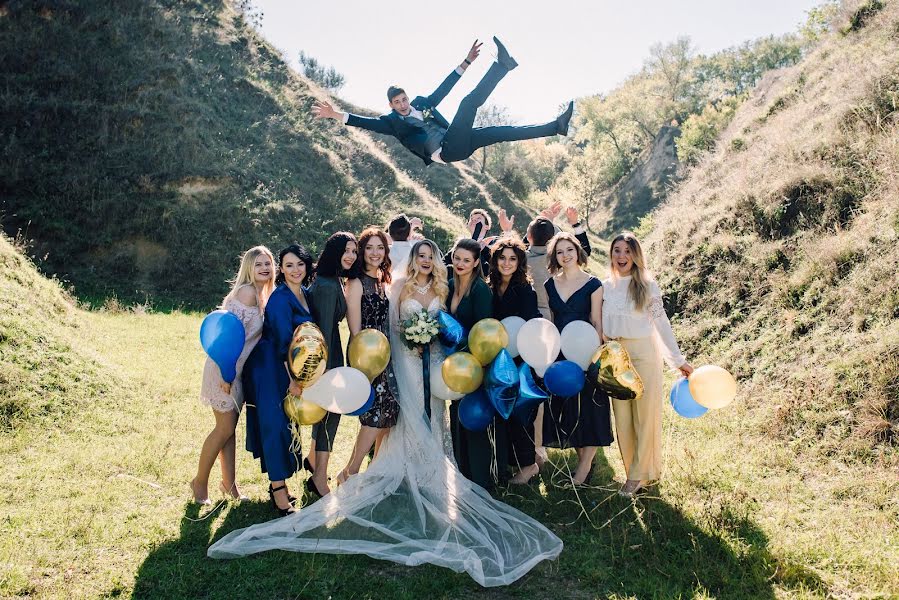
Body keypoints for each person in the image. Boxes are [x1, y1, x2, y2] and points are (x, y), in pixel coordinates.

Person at [208, 239, 563, 587]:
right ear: (412, 259)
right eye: (420, 255)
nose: (425, 260)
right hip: (400, 358)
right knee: (397, 414)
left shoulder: (442, 286)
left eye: (430, 256)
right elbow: (389, 327)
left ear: (438, 261)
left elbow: (450, 327)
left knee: (426, 413)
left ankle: (424, 468)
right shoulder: (395, 288)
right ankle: (366, 470)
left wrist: (430, 339)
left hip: (435, 362)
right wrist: (406, 342)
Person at [312, 37, 574, 166]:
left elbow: (445, 87)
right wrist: (335, 114)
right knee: (467, 104)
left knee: (503, 132)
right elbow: (364, 122)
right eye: (397, 102)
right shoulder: (392, 123)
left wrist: (468, 60)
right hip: (445, 151)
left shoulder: (423, 103)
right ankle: (502, 66)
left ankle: (555, 127)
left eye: (403, 99)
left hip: (457, 140)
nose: (402, 104)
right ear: (391, 105)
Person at [602, 232, 693, 497]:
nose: (621, 256)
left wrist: (678, 360)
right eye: (617, 250)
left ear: (636, 255)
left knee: (645, 415)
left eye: (627, 251)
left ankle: (637, 476)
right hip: (616, 355)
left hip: (643, 353)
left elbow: (661, 324)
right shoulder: (604, 286)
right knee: (622, 416)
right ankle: (635, 469)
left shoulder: (647, 285)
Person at [192, 246, 275, 505]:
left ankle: (229, 486)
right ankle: (199, 483)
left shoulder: (262, 295)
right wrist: (226, 374)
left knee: (230, 431)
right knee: (224, 428)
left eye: (268, 264)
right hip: (223, 368)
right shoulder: (247, 293)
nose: (264, 268)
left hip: (236, 371)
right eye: (259, 264)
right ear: (249, 268)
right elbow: (226, 336)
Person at [243, 244, 315, 515]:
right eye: (288, 265)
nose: (295, 270)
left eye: (299, 264)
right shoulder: (280, 299)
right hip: (271, 367)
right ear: (281, 271)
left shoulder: (305, 293)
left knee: (288, 423)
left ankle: (280, 483)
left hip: (290, 367)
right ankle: (278, 491)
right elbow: (284, 344)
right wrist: (294, 380)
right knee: (274, 424)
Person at [542, 232, 612, 485]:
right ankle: (584, 461)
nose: (565, 255)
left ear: (577, 251)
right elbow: (551, 321)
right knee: (568, 408)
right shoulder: (550, 284)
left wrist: (596, 356)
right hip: (561, 353)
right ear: (555, 257)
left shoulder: (594, 284)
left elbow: (596, 320)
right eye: (559, 252)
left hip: (586, 350)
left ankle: (583, 470)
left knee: (590, 409)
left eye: (569, 250)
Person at [337, 227, 400, 483]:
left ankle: (373, 471)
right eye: (370, 248)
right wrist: (366, 365)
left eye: (380, 248)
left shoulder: (383, 280)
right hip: (367, 357)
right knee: (373, 416)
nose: (375, 253)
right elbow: (355, 330)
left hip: (388, 355)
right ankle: (349, 471)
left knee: (388, 416)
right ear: (362, 251)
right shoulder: (356, 283)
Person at [306, 232, 357, 497]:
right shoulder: (326, 286)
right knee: (330, 415)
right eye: (346, 250)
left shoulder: (332, 279)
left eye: (353, 251)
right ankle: (318, 478)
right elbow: (324, 331)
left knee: (328, 415)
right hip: (327, 356)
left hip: (332, 351)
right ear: (334, 251)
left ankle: (313, 460)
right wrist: (324, 372)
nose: (350, 256)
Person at [487, 237, 542, 485]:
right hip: (496, 359)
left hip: (520, 359)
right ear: (495, 260)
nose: (506, 263)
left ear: (519, 262)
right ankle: (509, 462)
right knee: (502, 412)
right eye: (502, 257)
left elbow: (532, 324)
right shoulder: (490, 286)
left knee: (520, 414)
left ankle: (529, 466)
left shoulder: (524, 290)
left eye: (512, 258)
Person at [447, 237, 495, 491]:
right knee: (456, 415)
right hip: (452, 364)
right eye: (457, 258)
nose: (460, 263)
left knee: (473, 418)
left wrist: (472, 362)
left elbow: (484, 333)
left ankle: (480, 481)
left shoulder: (480, 290)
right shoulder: (449, 283)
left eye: (466, 260)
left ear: (476, 262)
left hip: (474, 363)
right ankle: (461, 473)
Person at [385, 213, 421, 281]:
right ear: (409, 232)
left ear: (389, 232)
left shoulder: (385, 252)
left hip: (389, 288)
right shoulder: (417, 251)